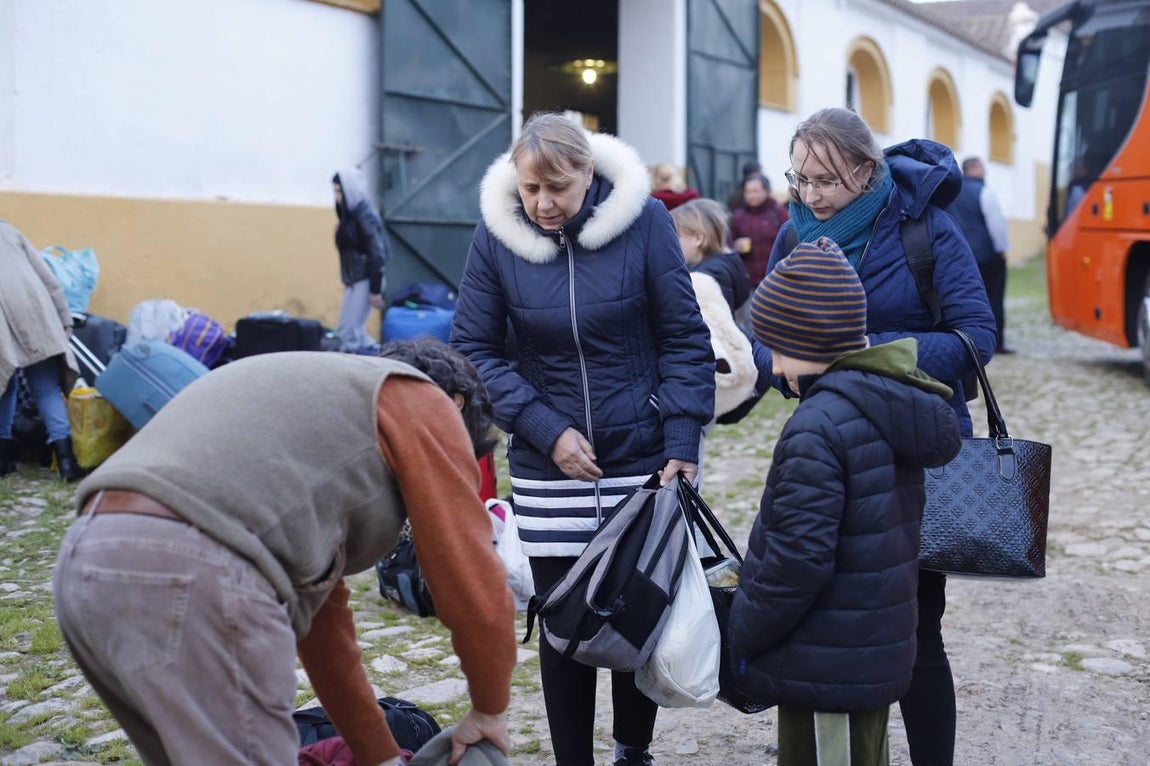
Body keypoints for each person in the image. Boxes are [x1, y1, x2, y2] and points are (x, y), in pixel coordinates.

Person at [53, 338, 517, 766]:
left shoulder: (318, 416)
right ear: (456, 404)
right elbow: (471, 582)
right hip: (196, 570)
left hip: (84, 566)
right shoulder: (421, 401)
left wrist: (380, 759)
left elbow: (323, 633)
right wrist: (489, 709)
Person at [451, 112, 715, 766]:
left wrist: (680, 434)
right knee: (563, 622)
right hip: (549, 468)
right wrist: (546, 428)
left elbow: (684, 337)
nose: (542, 203)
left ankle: (633, 752)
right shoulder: (496, 236)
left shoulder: (646, 221)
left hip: (641, 457)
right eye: (531, 188)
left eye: (558, 189)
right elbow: (474, 351)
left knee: (636, 611)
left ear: (588, 175)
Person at [754, 107, 996, 766]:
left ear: (867, 170)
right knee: (831, 623)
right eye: (800, 178)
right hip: (831, 456)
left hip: (918, 452)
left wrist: (864, 350)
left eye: (827, 179)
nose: (812, 194)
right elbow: (766, 339)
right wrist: (778, 369)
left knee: (918, 628)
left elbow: (976, 337)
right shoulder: (791, 237)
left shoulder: (925, 229)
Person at [729, 237, 961, 766]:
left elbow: (797, 559)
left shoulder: (817, 427)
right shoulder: (884, 402)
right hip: (867, 650)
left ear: (807, 342)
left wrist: (743, 629)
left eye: (777, 346)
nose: (773, 363)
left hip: (823, 661)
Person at [0, 219, 83, 482]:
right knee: (46, 388)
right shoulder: (9, 230)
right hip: (33, 311)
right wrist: (64, 317)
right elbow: (46, 276)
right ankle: (67, 462)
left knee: (5, 385)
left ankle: (3, 459)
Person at [670, 198, 757, 421]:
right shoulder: (728, 264)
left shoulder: (705, 278)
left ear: (698, 238)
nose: (670, 243)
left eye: (676, 236)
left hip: (707, 378)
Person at [947, 157, 1012, 353]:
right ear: (974, 169)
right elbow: (996, 224)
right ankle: (996, 341)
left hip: (959, 257)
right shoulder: (984, 191)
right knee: (993, 299)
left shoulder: (952, 192)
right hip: (986, 257)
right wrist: (1002, 249)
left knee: (963, 299)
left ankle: (966, 340)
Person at [333, 168, 389, 354]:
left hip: (366, 278)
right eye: (335, 191)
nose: (337, 196)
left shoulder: (363, 215)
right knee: (347, 329)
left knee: (350, 332)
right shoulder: (349, 215)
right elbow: (351, 248)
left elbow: (377, 253)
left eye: (340, 191)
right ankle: (376, 354)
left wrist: (375, 290)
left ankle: (366, 366)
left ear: (350, 190)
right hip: (355, 279)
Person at [730, 172, 789, 289]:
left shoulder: (778, 212)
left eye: (755, 191)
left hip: (776, 278)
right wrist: (736, 246)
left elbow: (789, 241)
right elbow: (729, 243)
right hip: (747, 281)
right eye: (748, 192)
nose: (751, 195)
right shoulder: (738, 215)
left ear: (766, 191)